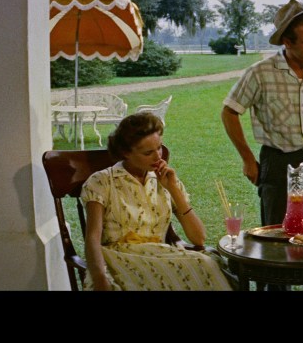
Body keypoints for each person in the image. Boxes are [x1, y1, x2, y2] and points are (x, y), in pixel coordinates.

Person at [221, 0, 303, 228]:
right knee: (277, 236)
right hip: (277, 165)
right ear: (287, 42)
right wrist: (247, 159)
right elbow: (229, 112)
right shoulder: (261, 73)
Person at [80, 112, 233, 291]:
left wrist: (173, 189)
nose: (158, 157)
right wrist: (100, 278)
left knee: (208, 264)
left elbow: (198, 238)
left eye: (159, 148)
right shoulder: (102, 182)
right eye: (148, 153)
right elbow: (92, 238)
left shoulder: (165, 181)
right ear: (125, 152)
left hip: (159, 257)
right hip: (118, 259)